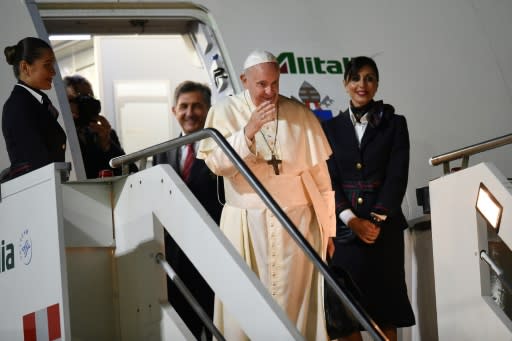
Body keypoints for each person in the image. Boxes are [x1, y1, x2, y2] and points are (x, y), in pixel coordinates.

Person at [197, 50, 336, 341]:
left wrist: (330, 231)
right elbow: (217, 165)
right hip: (246, 223)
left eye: (274, 83)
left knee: (295, 309)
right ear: (245, 80)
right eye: (261, 85)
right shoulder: (225, 112)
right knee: (244, 306)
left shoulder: (299, 113)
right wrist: (248, 131)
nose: (270, 91)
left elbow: (322, 180)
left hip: (297, 224)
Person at [321, 56, 415, 341]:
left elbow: (397, 176)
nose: (362, 84)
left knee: (384, 311)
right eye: (356, 78)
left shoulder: (395, 124)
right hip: (344, 233)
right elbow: (329, 181)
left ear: (377, 84)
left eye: (369, 78)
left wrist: (374, 219)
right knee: (344, 317)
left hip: (382, 233)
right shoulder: (330, 128)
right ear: (345, 84)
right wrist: (351, 220)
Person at [153, 80, 223, 340]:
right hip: (176, 261)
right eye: (183, 106)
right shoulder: (161, 152)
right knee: (183, 330)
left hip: (213, 257)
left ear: (208, 109)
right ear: (174, 111)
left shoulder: (223, 149)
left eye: (197, 106)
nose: (190, 113)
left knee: (217, 327)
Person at [2, 37, 66, 180]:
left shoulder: (33, 102)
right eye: (47, 65)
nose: (53, 72)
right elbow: (36, 164)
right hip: (36, 192)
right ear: (25, 67)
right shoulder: (19, 105)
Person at [63, 75, 137, 178]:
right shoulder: (60, 135)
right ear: (64, 103)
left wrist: (107, 146)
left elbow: (131, 171)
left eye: (89, 97)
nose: (86, 102)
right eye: (79, 98)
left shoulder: (106, 133)